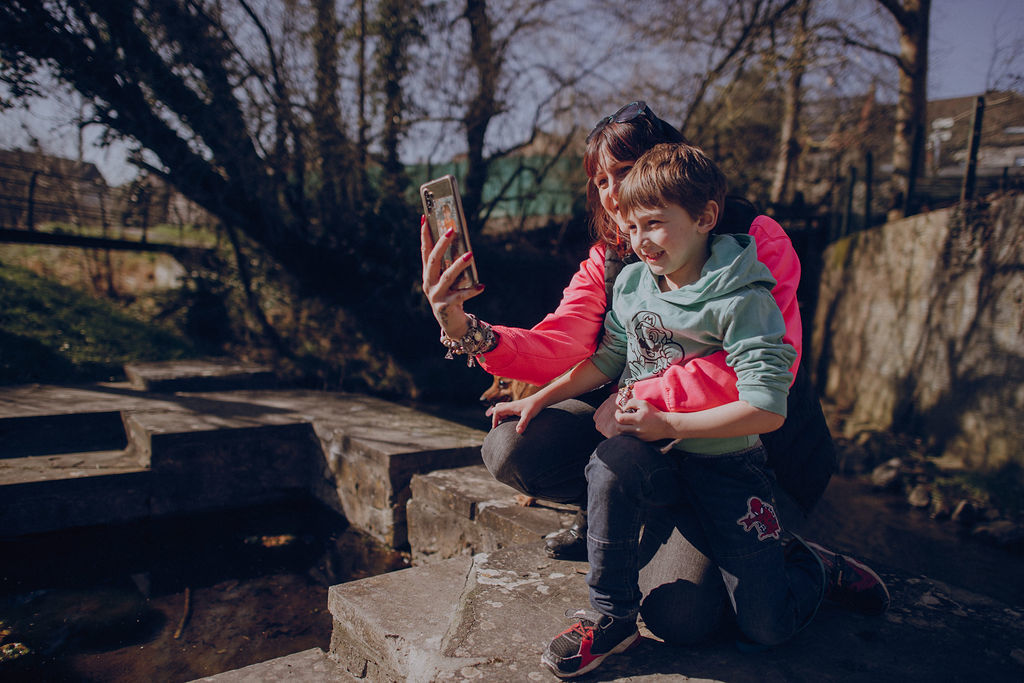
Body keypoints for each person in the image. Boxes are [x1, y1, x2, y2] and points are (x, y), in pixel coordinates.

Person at [419, 101, 887, 646]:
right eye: (601, 181)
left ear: (671, 167)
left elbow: (755, 375)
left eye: (626, 170)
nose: (614, 193)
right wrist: (463, 326)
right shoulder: (620, 260)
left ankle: (800, 556)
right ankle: (620, 516)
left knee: (687, 617)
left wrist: (640, 398)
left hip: (751, 455)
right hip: (653, 440)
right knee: (511, 445)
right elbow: (564, 340)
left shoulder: (753, 241)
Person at [489, 141, 821, 678]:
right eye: (633, 226)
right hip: (656, 458)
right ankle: (609, 615)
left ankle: (810, 566)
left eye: (656, 225)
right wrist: (540, 394)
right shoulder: (635, 284)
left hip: (726, 468)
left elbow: (766, 409)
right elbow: (608, 358)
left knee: (766, 629)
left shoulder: (743, 295)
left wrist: (668, 422)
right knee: (611, 460)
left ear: (705, 217)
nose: (640, 241)